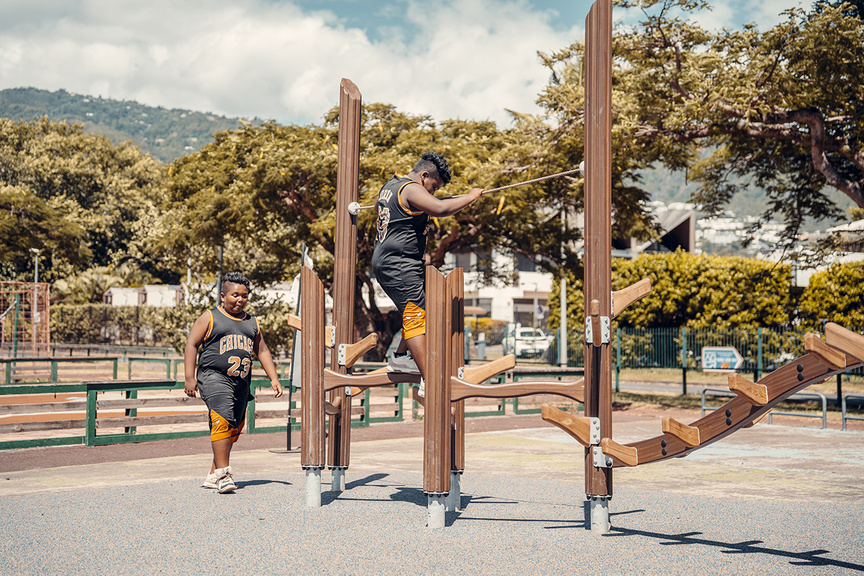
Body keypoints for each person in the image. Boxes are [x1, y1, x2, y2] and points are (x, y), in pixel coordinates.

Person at [371, 151, 483, 385]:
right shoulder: (411, 188)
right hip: (399, 264)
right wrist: (471, 197)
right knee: (415, 316)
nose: (432, 193)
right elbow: (440, 209)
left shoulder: (391, 185)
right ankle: (431, 382)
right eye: (433, 186)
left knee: (427, 304)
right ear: (423, 176)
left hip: (392, 261)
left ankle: (401, 356)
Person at [184, 271, 283, 493]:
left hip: (241, 382)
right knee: (221, 420)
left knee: (234, 428)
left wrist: (273, 378)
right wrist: (190, 377)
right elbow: (191, 344)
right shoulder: (210, 317)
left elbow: (262, 350)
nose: (240, 299)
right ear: (222, 296)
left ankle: (212, 473)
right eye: (235, 295)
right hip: (213, 377)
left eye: (244, 296)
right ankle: (224, 474)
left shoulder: (251, 322)